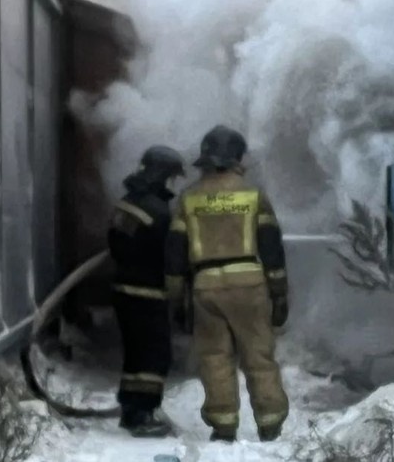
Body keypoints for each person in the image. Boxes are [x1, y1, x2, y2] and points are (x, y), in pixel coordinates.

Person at [164, 125, 290, 443]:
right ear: (237, 157)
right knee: (259, 355)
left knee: (215, 357)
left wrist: (176, 299)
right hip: (249, 284)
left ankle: (223, 425)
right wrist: (279, 293)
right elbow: (271, 247)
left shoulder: (189, 198)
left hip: (205, 287)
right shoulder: (252, 195)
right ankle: (270, 422)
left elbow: (175, 253)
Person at [107, 145, 186, 437]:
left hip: (124, 290)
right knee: (154, 357)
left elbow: (117, 244)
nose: (172, 184)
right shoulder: (158, 211)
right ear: (160, 174)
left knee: (136, 355)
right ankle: (142, 414)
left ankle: (131, 409)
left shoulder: (128, 202)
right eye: (171, 177)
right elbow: (169, 255)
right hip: (147, 292)